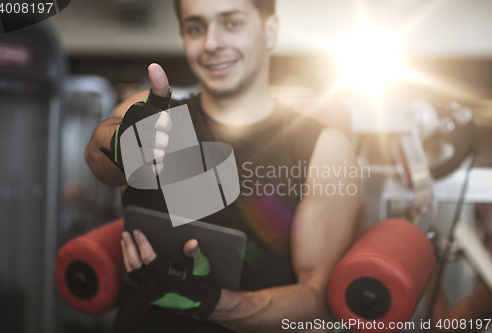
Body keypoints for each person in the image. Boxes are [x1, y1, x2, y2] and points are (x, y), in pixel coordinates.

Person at [85, 0, 360, 331]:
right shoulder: (154, 115)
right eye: (196, 28)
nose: (212, 43)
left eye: (232, 23)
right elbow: (98, 159)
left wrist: (210, 302)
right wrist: (121, 144)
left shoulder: (323, 147)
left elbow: (318, 303)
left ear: (270, 30)